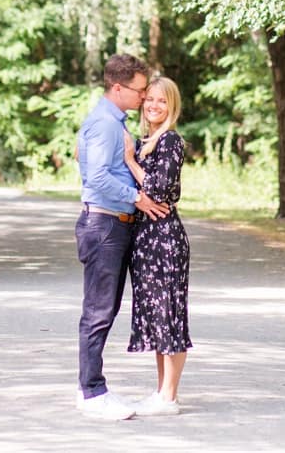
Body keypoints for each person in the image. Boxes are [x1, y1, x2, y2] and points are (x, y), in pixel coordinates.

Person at [76, 52, 170, 420]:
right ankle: (92, 393)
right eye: (139, 90)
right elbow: (97, 178)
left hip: (112, 224)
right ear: (118, 88)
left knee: (105, 309)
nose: (144, 97)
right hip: (104, 226)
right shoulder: (105, 124)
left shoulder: (113, 122)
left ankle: (89, 387)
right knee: (98, 311)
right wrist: (138, 198)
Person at [123, 74, 192, 416]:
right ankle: (161, 392)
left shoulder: (170, 143)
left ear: (172, 106)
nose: (154, 105)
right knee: (156, 316)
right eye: (149, 98)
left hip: (165, 237)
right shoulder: (144, 140)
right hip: (144, 239)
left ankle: (170, 397)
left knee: (171, 315)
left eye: (162, 100)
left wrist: (131, 162)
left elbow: (157, 190)